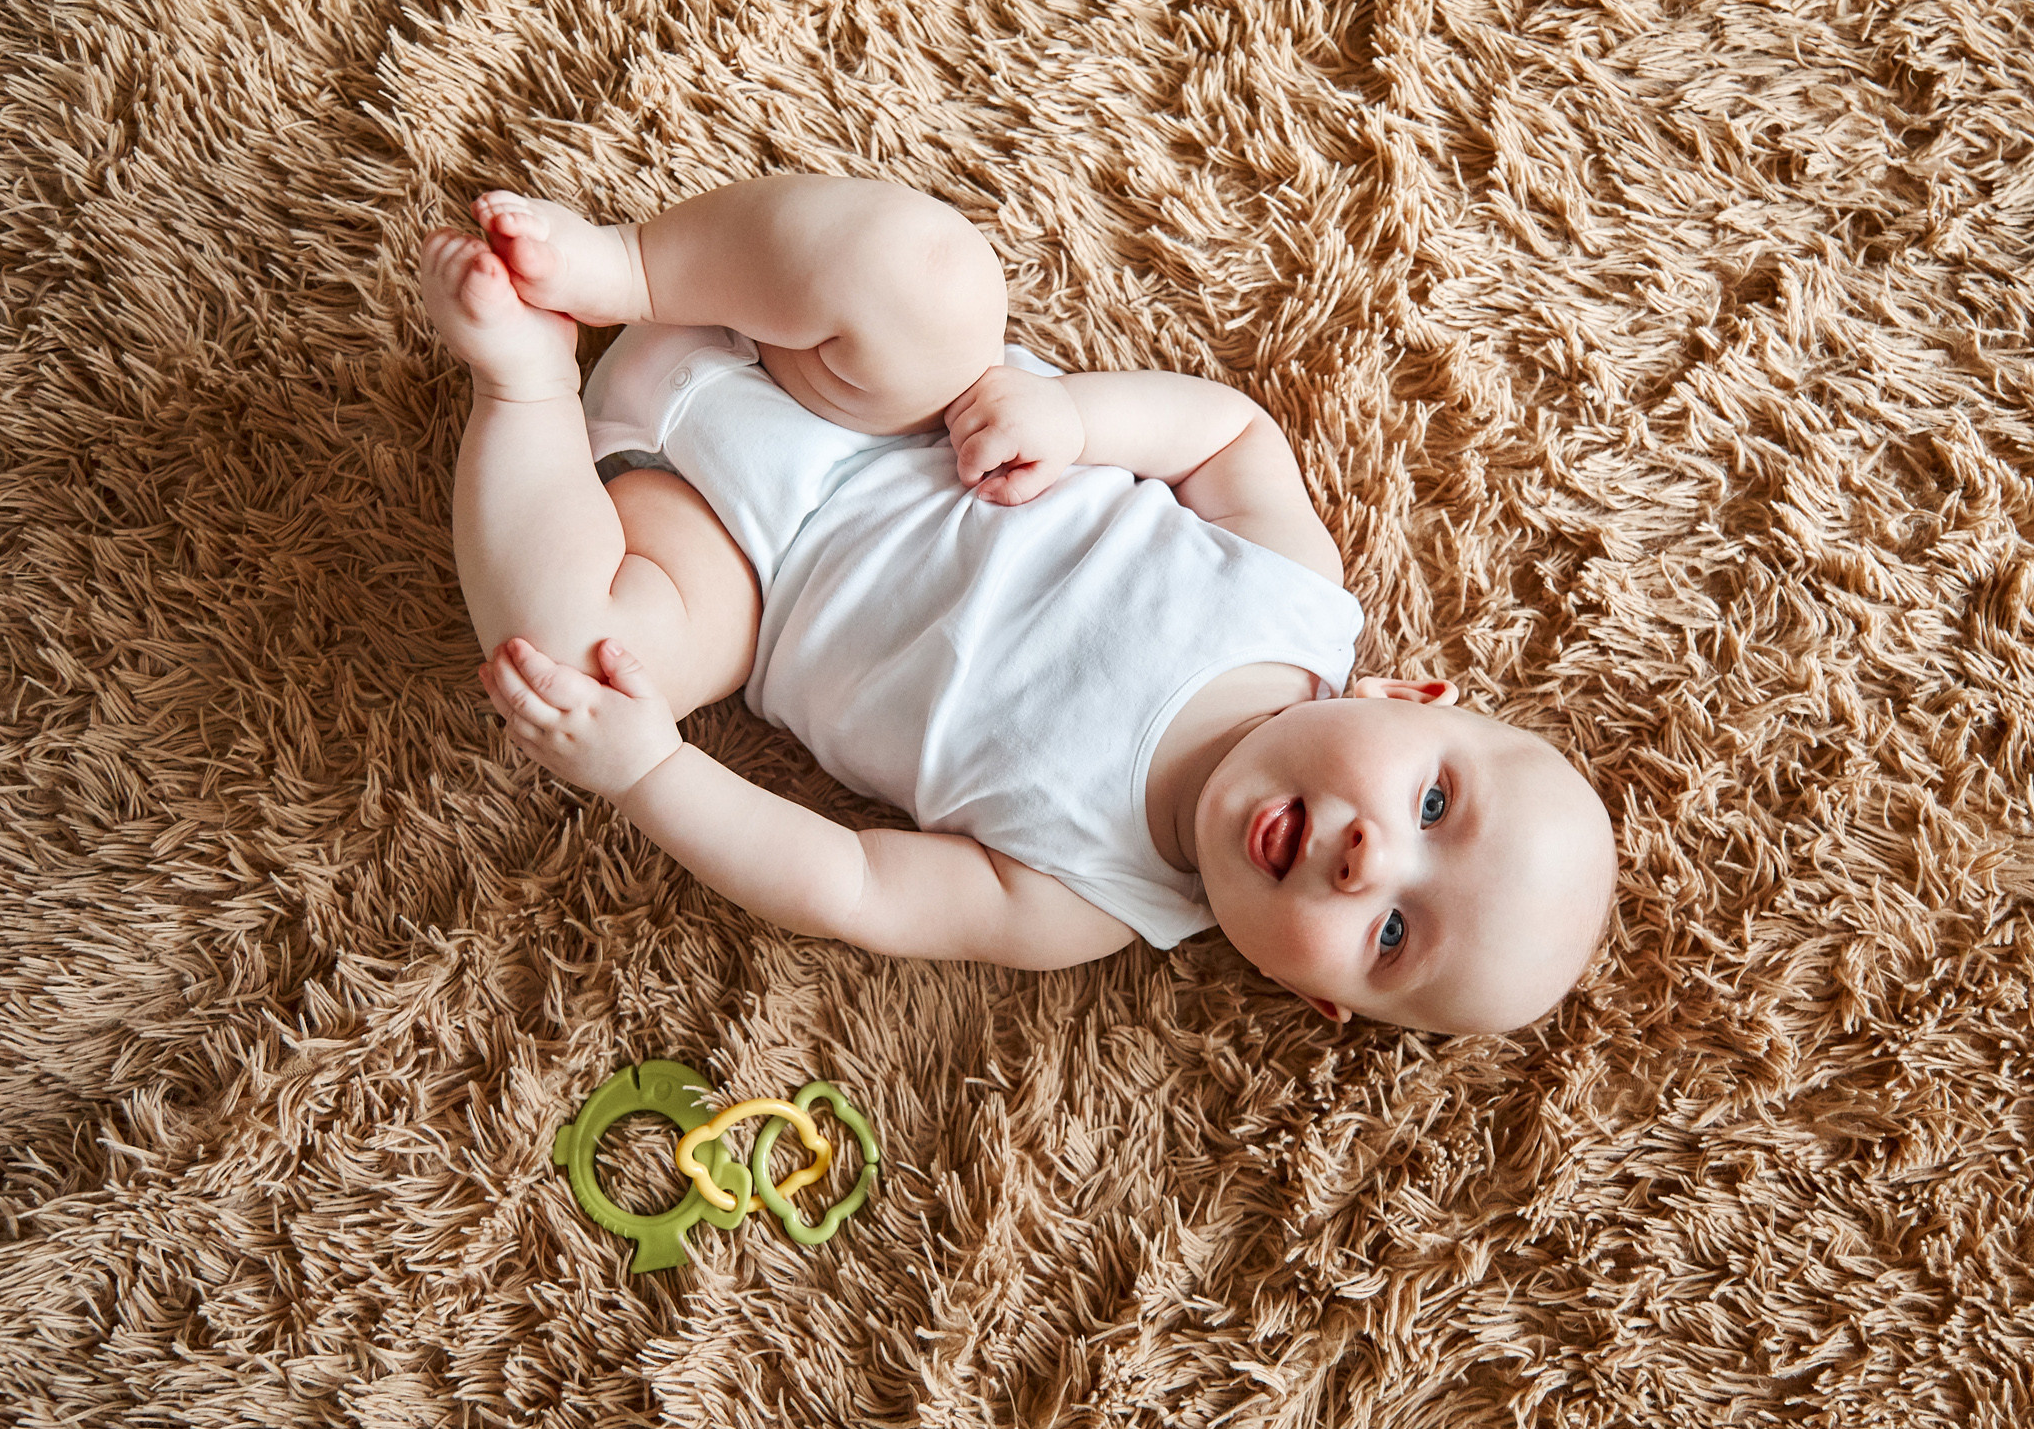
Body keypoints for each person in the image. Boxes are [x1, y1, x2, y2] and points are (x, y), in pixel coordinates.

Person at [420, 176, 1614, 1033]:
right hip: (870, 401)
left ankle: (520, 389)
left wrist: (647, 770)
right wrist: (1081, 424)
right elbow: (1231, 432)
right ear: (1410, 696)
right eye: (1432, 801)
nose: (1369, 859)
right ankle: (631, 265)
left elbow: (851, 885)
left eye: (1392, 937)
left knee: (584, 665)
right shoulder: (1296, 600)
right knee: (931, 277)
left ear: (1317, 995)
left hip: (732, 569)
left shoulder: (1088, 902)